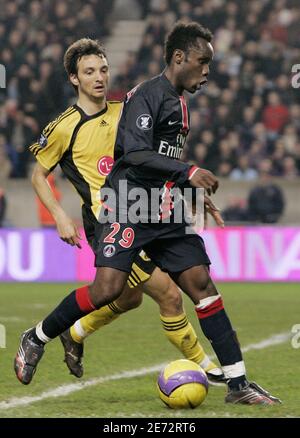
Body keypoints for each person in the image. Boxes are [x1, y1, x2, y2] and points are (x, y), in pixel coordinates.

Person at [15, 24, 280, 405]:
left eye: (103, 69)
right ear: (74, 78)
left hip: (160, 210)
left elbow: (160, 159)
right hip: (118, 209)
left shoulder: (141, 105)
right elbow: (129, 156)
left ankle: (238, 384)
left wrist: (191, 190)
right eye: (89, 71)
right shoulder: (99, 114)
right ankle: (39, 335)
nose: (100, 77)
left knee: (190, 286)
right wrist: (58, 213)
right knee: (115, 291)